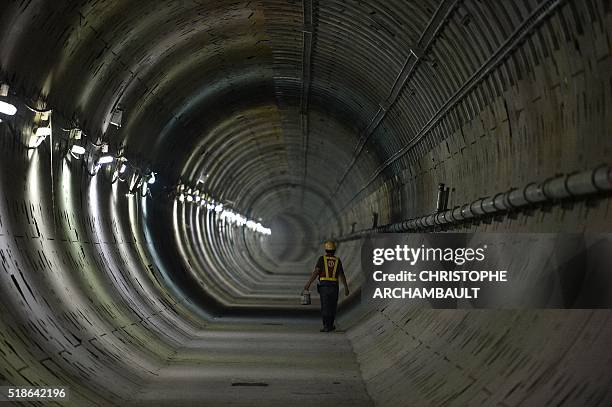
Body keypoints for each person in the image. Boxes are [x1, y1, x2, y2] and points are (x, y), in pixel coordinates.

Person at [303, 241, 349, 332]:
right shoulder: (337, 260)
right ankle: (330, 325)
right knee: (332, 306)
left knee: (325, 306)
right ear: (334, 250)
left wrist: (308, 283)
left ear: (325, 250)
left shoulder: (322, 259)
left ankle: (326, 326)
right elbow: (341, 274)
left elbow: (316, 272)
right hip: (334, 287)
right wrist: (346, 287)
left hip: (324, 286)